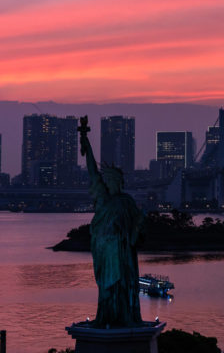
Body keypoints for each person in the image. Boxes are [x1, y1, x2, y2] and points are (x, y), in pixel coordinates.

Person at [79, 116, 144, 328]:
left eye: (111, 180)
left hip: (122, 251)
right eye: (106, 180)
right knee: (106, 287)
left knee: (123, 285)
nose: (107, 183)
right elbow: (92, 172)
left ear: (118, 181)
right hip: (104, 250)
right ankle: (107, 316)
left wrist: (134, 230)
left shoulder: (126, 202)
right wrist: (85, 141)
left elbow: (136, 226)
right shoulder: (104, 199)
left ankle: (123, 318)